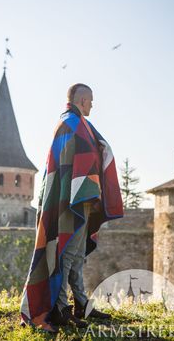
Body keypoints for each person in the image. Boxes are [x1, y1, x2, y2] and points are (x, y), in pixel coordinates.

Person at [20, 84, 123, 333]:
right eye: (91, 101)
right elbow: (73, 162)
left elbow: (90, 154)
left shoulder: (80, 125)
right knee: (65, 254)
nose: (92, 105)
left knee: (76, 256)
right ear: (83, 99)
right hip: (69, 200)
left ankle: (81, 305)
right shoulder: (70, 124)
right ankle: (60, 308)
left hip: (82, 199)